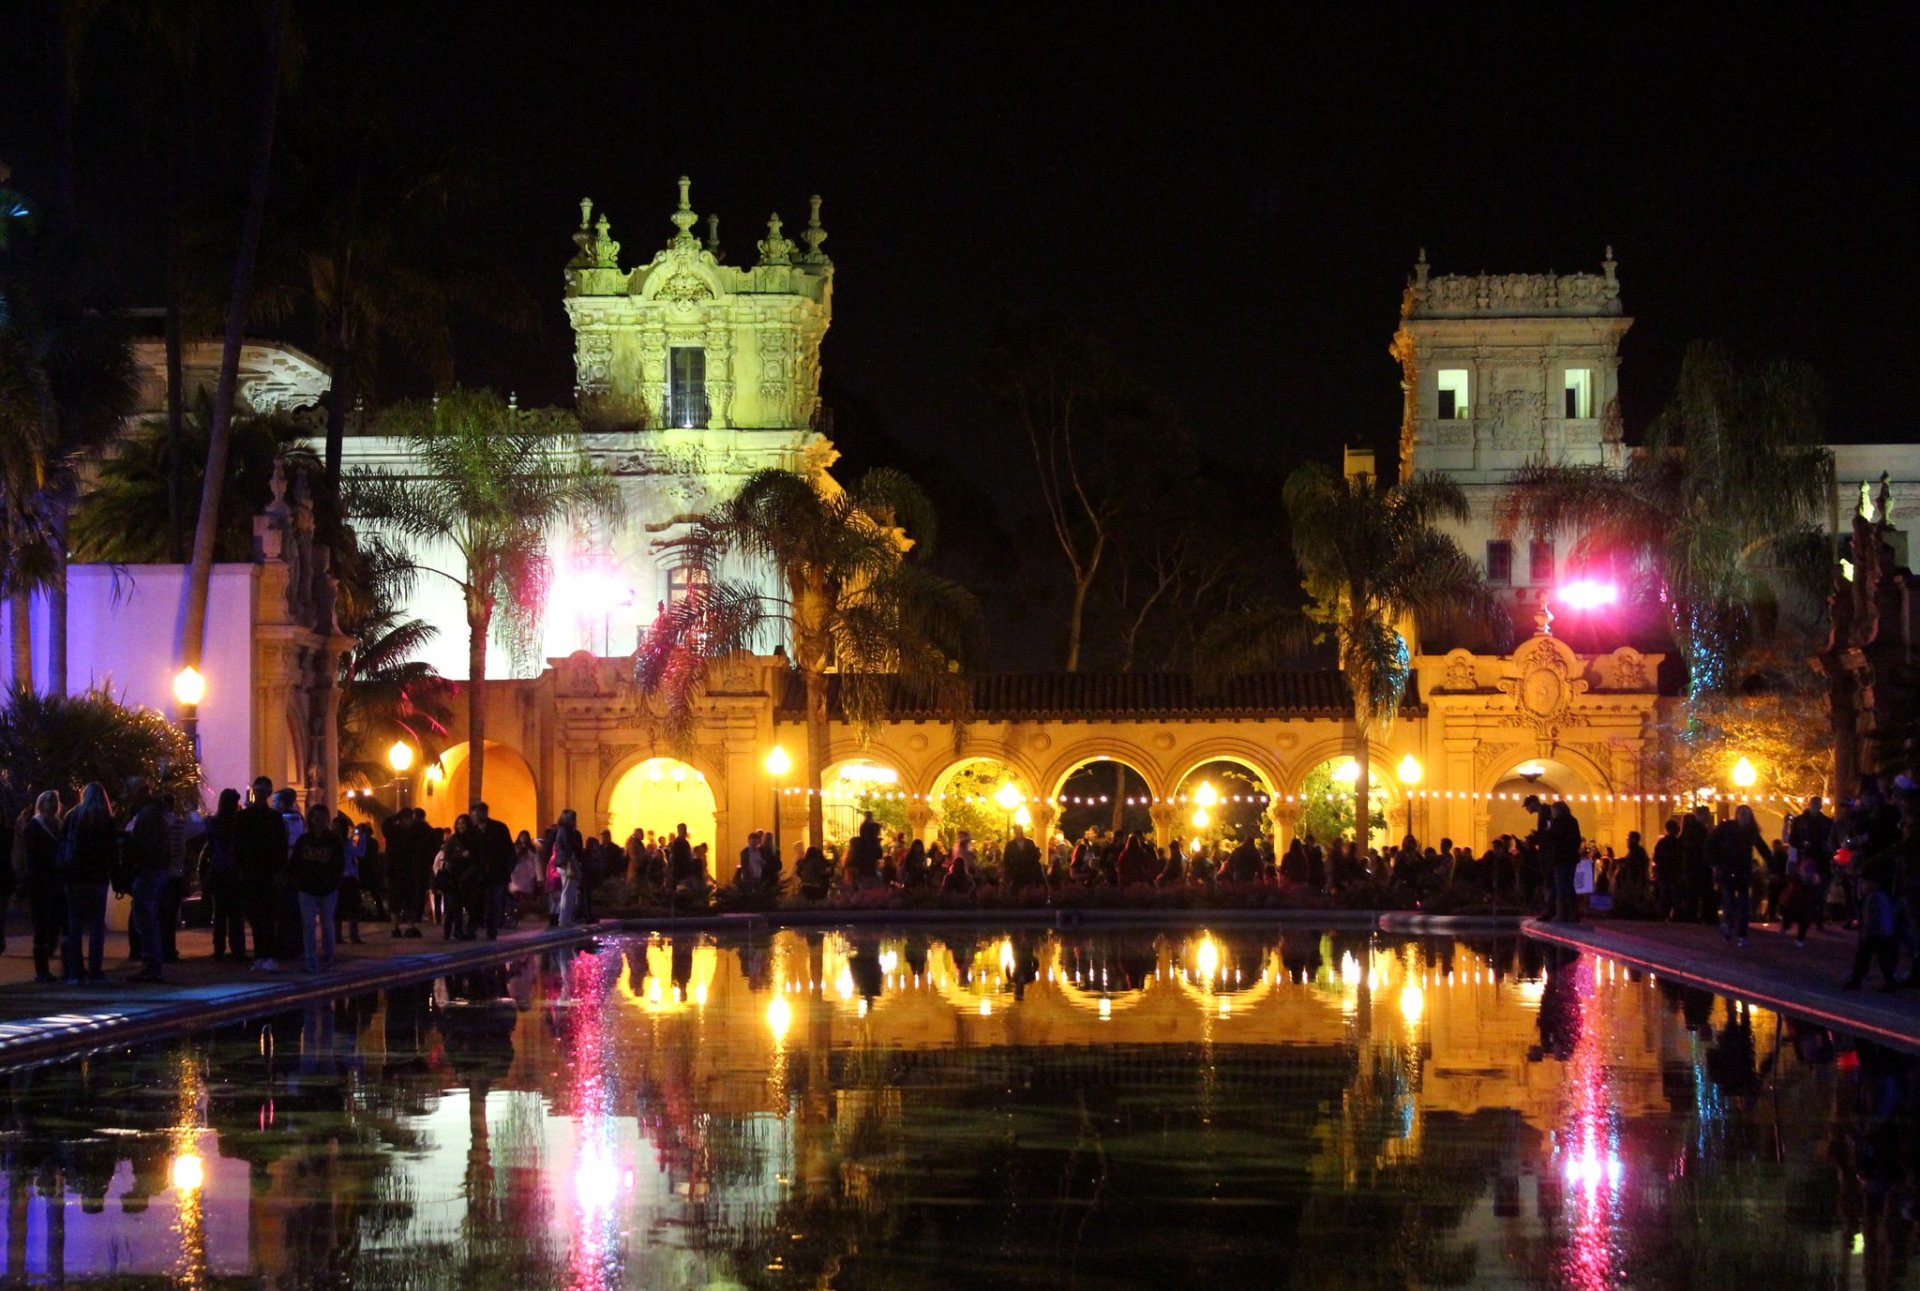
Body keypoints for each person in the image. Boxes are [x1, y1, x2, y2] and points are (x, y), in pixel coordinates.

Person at [61, 783, 118, 985]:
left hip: (74, 876)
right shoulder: (106, 820)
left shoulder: (72, 816)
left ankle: (75, 972)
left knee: (74, 925)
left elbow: (63, 844)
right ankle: (95, 970)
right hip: (97, 877)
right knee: (96, 926)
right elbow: (113, 852)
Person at [235, 777, 289, 972]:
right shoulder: (247, 817)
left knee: (267, 915)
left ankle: (268, 954)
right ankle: (260, 955)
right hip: (253, 871)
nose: (261, 795)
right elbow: (238, 845)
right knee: (257, 916)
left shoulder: (273, 818)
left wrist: (279, 871)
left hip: (266, 871)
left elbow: (281, 847)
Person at [123, 779, 171, 983]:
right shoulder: (155, 813)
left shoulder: (147, 815)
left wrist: (131, 854)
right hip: (155, 870)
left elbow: (144, 845)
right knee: (147, 917)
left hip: (148, 870)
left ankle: (151, 965)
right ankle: (152, 963)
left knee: (144, 918)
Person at [290, 803, 345, 972]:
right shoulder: (304, 840)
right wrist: (297, 880)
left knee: (327, 923)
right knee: (308, 925)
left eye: (322, 818)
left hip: (328, 888)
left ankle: (328, 956)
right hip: (307, 888)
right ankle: (310, 959)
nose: (319, 821)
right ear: (311, 819)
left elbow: (339, 864)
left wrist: (334, 883)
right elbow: (295, 863)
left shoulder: (333, 840)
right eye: (316, 818)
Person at [1708, 804, 1770, 947]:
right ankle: (1727, 926)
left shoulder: (1751, 832)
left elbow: (1763, 848)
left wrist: (1771, 865)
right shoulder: (1726, 828)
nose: (1744, 817)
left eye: (1746, 814)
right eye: (1742, 814)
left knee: (1743, 905)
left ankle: (1742, 934)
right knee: (1729, 902)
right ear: (1736, 815)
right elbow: (1710, 843)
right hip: (1727, 870)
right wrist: (1715, 863)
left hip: (1743, 872)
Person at [20, 791, 65, 982]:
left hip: (55, 880)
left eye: (55, 801)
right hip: (40, 880)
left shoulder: (58, 824)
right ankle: (41, 969)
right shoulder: (34, 826)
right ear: (41, 804)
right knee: (41, 924)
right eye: (49, 801)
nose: (53, 804)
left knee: (53, 923)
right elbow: (31, 855)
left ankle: (47, 957)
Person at [202, 788, 248, 962]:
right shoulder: (239, 823)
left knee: (220, 912)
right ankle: (238, 949)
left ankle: (219, 949)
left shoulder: (213, 822)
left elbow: (212, 845)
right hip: (234, 870)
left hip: (219, 869)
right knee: (235, 913)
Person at [471, 801, 515, 939]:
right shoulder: (472, 831)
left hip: (497, 873)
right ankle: (474, 929)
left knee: (494, 904)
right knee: (477, 902)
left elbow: (509, 851)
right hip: (478, 874)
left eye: (479, 812)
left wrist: (507, 869)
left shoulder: (499, 828)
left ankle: (492, 931)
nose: (477, 815)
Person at [338, 821, 371, 945]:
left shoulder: (334, 843)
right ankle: (353, 935)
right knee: (353, 907)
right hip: (348, 878)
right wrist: (360, 835)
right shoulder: (347, 844)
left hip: (336, 878)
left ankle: (337, 935)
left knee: (338, 908)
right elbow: (360, 851)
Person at [1002, 825, 1045, 890]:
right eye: (1017, 833)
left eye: (1020, 832)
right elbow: (1006, 858)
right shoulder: (1010, 845)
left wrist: (1032, 866)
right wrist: (1010, 869)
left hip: (1028, 871)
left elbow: (1034, 855)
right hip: (1016, 871)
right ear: (1015, 833)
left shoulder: (1029, 843)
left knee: (1028, 888)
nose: (1019, 835)